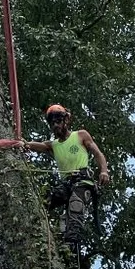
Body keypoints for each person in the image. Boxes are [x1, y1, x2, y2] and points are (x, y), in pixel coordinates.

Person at [22, 104, 109, 248]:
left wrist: (104, 171)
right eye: (52, 123)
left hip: (82, 181)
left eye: (58, 121)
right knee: (44, 202)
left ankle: (70, 248)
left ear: (66, 121)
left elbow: (98, 154)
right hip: (66, 184)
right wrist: (24, 144)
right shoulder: (54, 145)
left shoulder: (80, 135)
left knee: (75, 211)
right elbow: (37, 145)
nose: (55, 125)